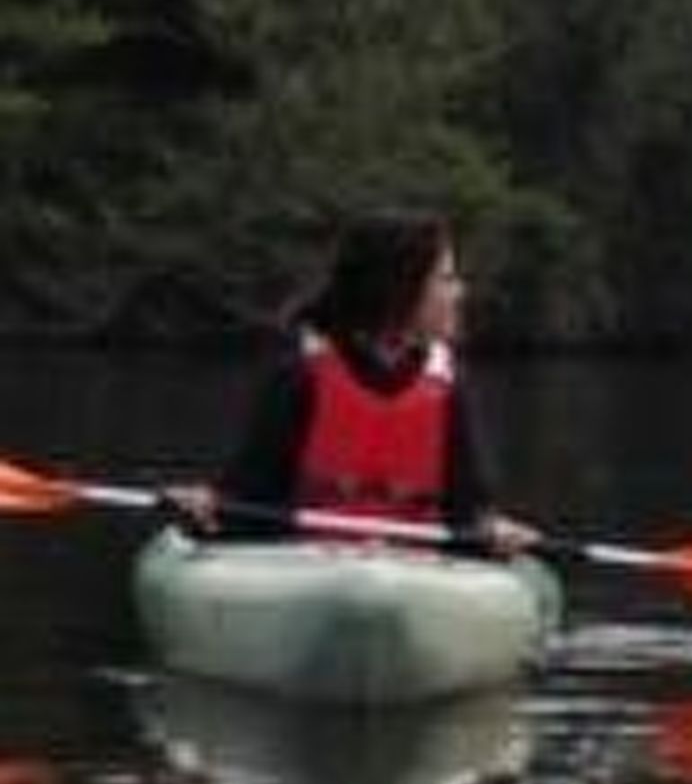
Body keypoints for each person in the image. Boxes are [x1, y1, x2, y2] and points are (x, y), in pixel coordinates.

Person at [168, 210, 538, 556]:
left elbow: (470, 513)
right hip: (303, 568)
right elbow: (244, 502)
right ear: (400, 286)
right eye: (445, 279)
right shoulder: (302, 373)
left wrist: (491, 530)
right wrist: (207, 510)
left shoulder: (446, 384)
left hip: (416, 575)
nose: (459, 292)